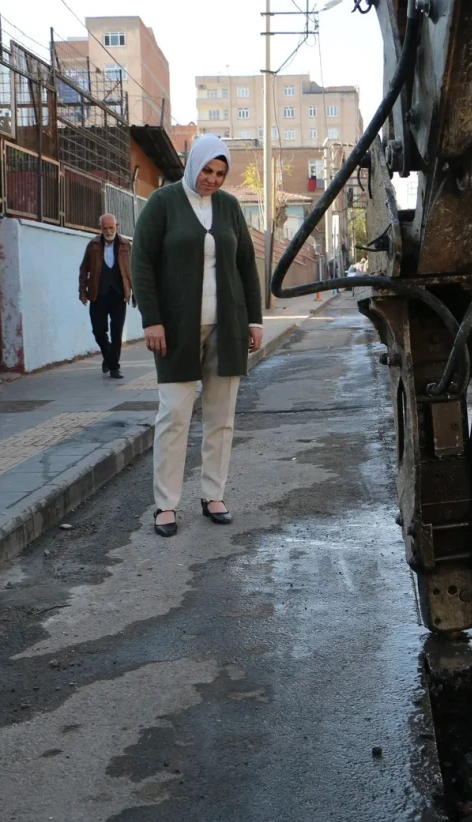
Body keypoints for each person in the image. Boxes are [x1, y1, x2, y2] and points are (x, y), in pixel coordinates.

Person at [132, 135, 264, 537]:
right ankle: (165, 504)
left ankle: (213, 495)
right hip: (176, 329)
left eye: (220, 173)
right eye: (207, 170)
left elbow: (246, 266)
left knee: (221, 418)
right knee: (174, 415)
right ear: (193, 165)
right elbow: (142, 262)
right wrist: (152, 320)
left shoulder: (229, 207)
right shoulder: (163, 203)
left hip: (228, 327)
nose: (213, 179)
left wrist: (254, 321)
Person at [79, 213, 133, 379]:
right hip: (98, 294)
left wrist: (135, 293)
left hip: (119, 294)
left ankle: (114, 367)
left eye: (111, 228)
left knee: (117, 331)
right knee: (98, 331)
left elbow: (133, 270)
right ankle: (109, 357)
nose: (109, 231)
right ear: (100, 228)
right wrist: (82, 292)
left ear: (117, 226)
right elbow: (84, 269)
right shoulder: (93, 245)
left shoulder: (126, 245)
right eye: (105, 228)